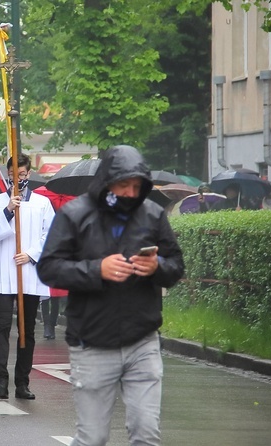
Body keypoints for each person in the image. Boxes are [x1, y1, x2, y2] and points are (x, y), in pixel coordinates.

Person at [37, 145, 185, 446]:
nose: (131, 193)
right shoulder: (73, 215)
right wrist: (96, 270)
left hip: (142, 338)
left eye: (137, 186)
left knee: (146, 432)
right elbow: (49, 269)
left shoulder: (153, 214)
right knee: (93, 437)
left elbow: (176, 266)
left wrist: (157, 266)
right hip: (91, 340)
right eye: (123, 185)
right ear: (107, 182)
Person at [0, 154, 54, 400]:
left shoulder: (42, 203)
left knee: (27, 330)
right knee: (1, 326)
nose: (18, 179)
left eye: (22, 175)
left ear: (28, 174)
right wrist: (8, 211)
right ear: (7, 175)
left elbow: (50, 234)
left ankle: (22, 382)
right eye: (14, 175)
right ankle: (0, 380)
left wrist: (32, 255)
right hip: (4, 271)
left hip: (29, 272)